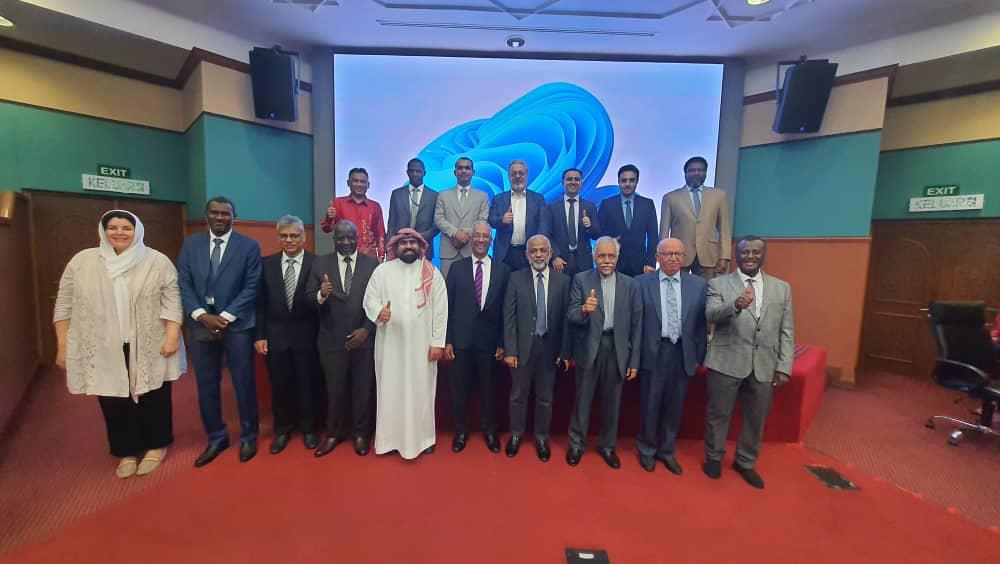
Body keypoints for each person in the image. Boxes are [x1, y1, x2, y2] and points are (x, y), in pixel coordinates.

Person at [54, 210, 184, 478]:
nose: (119, 233)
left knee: (155, 395)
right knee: (112, 398)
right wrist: (63, 345)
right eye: (113, 227)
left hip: (151, 343)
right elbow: (64, 304)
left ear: (138, 230)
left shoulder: (157, 261)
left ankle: (156, 445)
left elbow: (172, 301)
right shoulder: (83, 262)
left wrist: (171, 336)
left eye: (126, 227)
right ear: (104, 231)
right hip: (104, 345)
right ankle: (126, 450)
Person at [703, 236, 794, 489]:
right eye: (745, 252)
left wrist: (784, 366)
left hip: (764, 363)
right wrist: (735, 305)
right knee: (718, 413)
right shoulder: (718, 284)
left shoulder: (782, 288)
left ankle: (745, 461)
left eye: (755, 252)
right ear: (737, 254)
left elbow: (786, 330)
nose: (750, 256)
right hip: (725, 360)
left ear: (764, 255)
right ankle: (714, 457)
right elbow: (710, 314)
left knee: (756, 417)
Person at [178, 197, 262, 466]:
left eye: (225, 213)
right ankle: (216, 437)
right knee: (206, 385)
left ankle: (249, 435)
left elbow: (252, 286)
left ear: (233, 217)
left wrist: (224, 317)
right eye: (214, 213)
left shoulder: (249, 246)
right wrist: (201, 315)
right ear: (206, 216)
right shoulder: (191, 244)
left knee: (243, 383)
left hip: (237, 325)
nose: (219, 217)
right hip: (200, 324)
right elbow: (183, 283)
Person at [363, 228, 448, 459]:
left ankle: (424, 439)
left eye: (413, 242)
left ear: (420, 246)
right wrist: (378, 312)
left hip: (422, 347)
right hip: (390, 345)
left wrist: (437, 342)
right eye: (404, 242)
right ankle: (389, 441)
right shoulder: (382, 271)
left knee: (422, 392)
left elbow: (441, 311)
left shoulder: (431, 273)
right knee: (390, 391)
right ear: (395, 246)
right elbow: (369, 299)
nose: (408, 246)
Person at [566, 237, 642, 469]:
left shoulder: (631, 285)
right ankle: (576, 444)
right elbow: (571, 315)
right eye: (602, 256)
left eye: (611, 256)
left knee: (612, 402)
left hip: (617, 349)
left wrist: (634, 361)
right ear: (594, 257)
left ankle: (607, 446)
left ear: (617, 258)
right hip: (589, 348)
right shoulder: (581, 279)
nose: (606, 260)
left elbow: (637, 326)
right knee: (582, 400)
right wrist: (584, 310)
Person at [307, 220, 379, 457]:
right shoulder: (320, 263)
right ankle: (332, 434)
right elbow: (308, 297)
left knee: (362, 390)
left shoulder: (372, 264)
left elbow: (380, 301)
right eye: (341, 238)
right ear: (334, 239)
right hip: (331, 340)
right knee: (334, 390)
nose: (346, 242)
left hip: (363, 339)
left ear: (357, 238)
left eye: (350, 237)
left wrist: (366, 330)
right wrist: (321, 294)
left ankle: (360, 434)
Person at [635, 238, 707, 474]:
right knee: (650, 404)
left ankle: (667, 451)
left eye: (678, 254)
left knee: (675, 406)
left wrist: (699, 356)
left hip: (682, 353)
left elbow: (701, 324)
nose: (674, 258)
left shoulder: (698, 285)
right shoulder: (641, 283)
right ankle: (646, 449)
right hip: (653, 352)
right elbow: (636, 324)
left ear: (684, 257)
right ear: (657, 258)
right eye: (667, 254)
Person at [254, 215, 321, 454]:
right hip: (276, 336)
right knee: (280, 386)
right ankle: (282, 430)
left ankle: (309, 428)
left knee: (307, 384)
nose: (289, 240)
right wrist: (260, 335)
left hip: (307, 336)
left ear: (303, 237)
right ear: (278, 238)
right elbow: (260, 303)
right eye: (284, 236)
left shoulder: (317, 263)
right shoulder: (266, 264)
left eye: (294, 235)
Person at [502, 234, 572, 462]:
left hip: (549, 350)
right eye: (534, 251)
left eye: (543, 250)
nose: (538, 255)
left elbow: (566, 321)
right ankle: (516, 435)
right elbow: (509, 317)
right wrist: (510, 350)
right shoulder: (515, 278)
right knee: (518, 396)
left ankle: (542, 438)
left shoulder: (563, 281)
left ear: (550, 253)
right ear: (527, 255)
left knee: (545, 398)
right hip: (522, 349)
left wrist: (564, 352)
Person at [444, 221, 510, 453]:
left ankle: (490, 431)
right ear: (470, 240)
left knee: (489, 390)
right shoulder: (456, 268)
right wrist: (448, 339)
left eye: (485, 236)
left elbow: (506, 311)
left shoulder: (503, 270)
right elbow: (447, 307)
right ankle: (461, 431)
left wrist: (502, 341)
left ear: (491, 240)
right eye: (477, 236)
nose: (481, 240)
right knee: (459, 389)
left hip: (489, 343)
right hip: (460, 341)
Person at [659, 156, 732, 279]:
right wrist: (663, 256)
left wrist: (724, 256)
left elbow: (724, 229)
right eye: (692, 170)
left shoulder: (719, 196)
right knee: (677, 288)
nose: (696, 173)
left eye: (700, 170)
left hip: (708, 254)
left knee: (707, 289)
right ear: (685, 173)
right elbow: (664, 231)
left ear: (706, 173)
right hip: (678, 255)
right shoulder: (671, 198)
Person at [488, 160, 550, 271]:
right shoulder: (499, 198)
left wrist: (540, 248)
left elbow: (543, 225)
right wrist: (502, 220)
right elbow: (491, 220)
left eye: (521, 173)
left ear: (526, 175)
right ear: (509, 176)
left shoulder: (538, 199)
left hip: (529, 253)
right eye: (514, 174)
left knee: (527, 282)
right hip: (505, 253)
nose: (517, 176)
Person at [597, 164, 658, 277]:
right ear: (619, 182)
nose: (627, 184)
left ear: (637, 181)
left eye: (631, 180)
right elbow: (600, 234)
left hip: (640, 265)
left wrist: (651, 262)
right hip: (614, 263)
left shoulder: (647, 204)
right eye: (624, 180)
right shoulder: (607, 204)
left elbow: (653, 236)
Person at [434, 157, 489, 278]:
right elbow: (438, 219)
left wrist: (465, 235)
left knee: (470, 286)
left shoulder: (482, 196)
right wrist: (455, 233)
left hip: (471, 250)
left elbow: (483, 220)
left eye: (467, 168)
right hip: (449, 250)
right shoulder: (443, 195)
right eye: (460, 168)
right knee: (447, 287)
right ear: (455, 172)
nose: (463, 171)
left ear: (473, 172)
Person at [321, 168, 386, 261]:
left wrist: (381, 256)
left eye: (363, 182)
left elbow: (380, 233)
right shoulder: (338, 203)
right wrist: (329, 218)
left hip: (369, 258)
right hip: (345, 255)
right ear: (348, 183)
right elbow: (326, 229)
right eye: (355, 181)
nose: (359, 184)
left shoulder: (375, 206)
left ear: (368, 185)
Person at [548, 168, 602, 279]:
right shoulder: (552, 207)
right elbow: (547, 234)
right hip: (560, 263)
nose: (573, 182)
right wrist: (554, 256)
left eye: (577, 179)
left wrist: (589, 226)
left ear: (581, 183)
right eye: (569, 179)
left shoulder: (590, 206)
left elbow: (597, 235)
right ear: (563, 182)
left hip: (584, 263)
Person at [386, 158, 439, 258]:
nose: (414, 174)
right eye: (411, 171)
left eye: (418, 171)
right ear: (407, 173)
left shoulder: (434, 195)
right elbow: (391, 224)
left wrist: (420, 237)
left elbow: (437, 226)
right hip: (400, 247)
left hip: (424, 248)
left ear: (424, 173)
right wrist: (389, 247)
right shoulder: (396, 194)